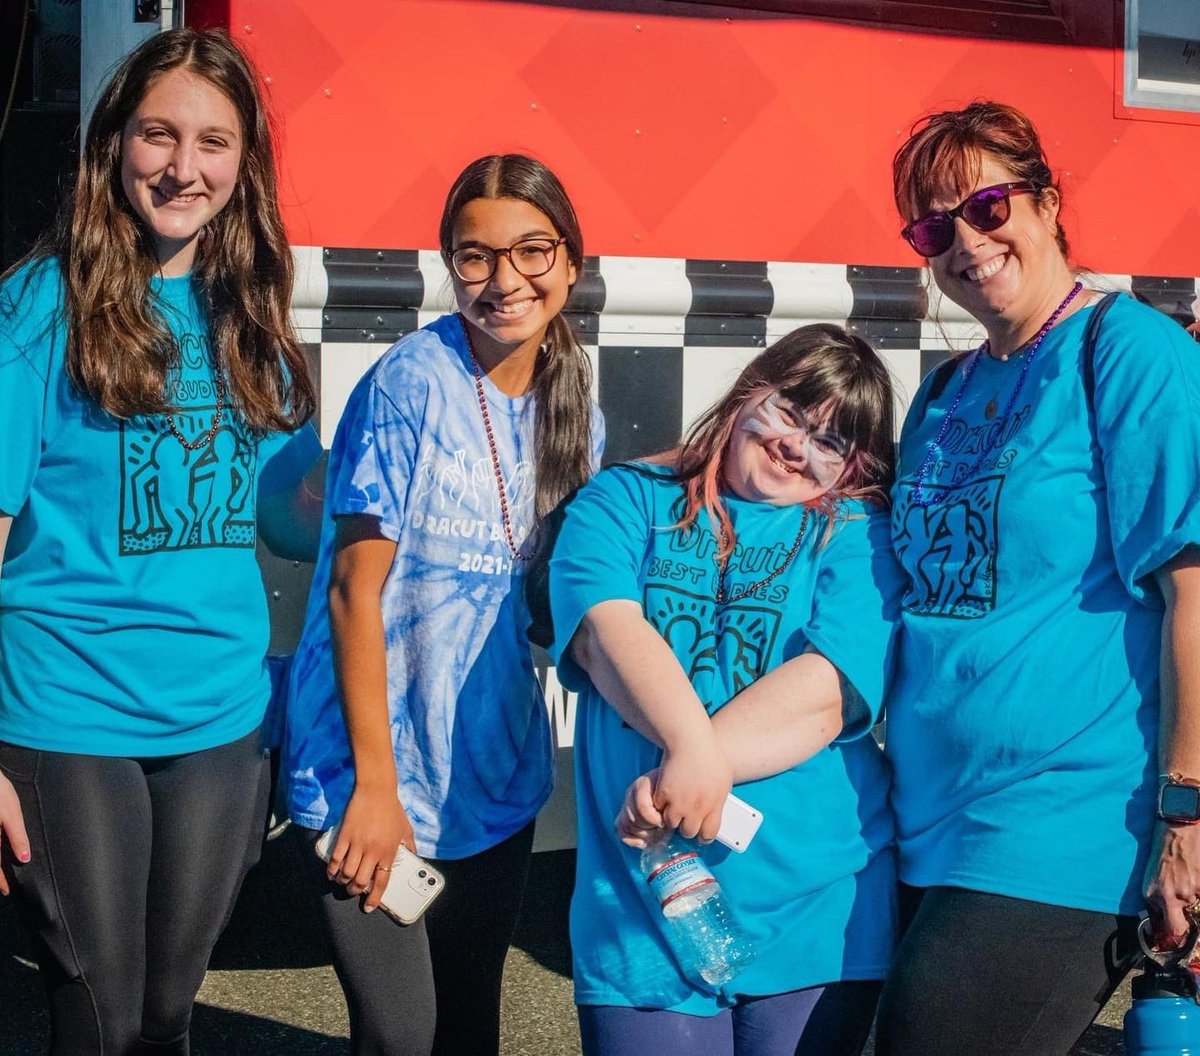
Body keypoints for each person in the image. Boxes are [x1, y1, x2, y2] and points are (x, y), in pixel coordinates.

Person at [0, 28, 322, 1056]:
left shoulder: (250, 312)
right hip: (66, 708)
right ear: (114, 143)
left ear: (244, 163)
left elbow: (283, 520)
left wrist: (376, 485)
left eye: (213, 142)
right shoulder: (40, 304)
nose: (184, 168)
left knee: (168, 1013)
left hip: (221, 716)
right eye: (158, 135)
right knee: (99, 1014)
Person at [876, 101, 1200, 1055]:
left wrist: (1187, 814)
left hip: (1061, 820)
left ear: (1049, 203)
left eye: (988, 207)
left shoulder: (1129, 351)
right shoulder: (944, 391)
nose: (967, 243)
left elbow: (1194, 594)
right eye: (934, 229)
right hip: (920, 818)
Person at [284, 154, 604, 1056]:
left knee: (468, 1029)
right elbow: (353, 590)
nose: (505, 280)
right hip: (370, 779)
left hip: (492, 778)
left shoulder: (574, 405)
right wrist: (376, 792)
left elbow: (543, 605)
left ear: (570, 261)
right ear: (448, 266)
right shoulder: (410, 384)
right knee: (401, 1036)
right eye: (475, 256)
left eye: (531, 251)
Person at [546, 325, 904, 1056]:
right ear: (749, 391)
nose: (796, 447)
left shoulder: (859, 534)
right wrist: (690, 754)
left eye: (831, 442)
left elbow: (828, 691)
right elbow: (602, 634)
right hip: (641, 896)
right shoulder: (625, 498)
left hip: (817, 905)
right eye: (789, 412)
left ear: (854, 465)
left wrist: (687, 769)